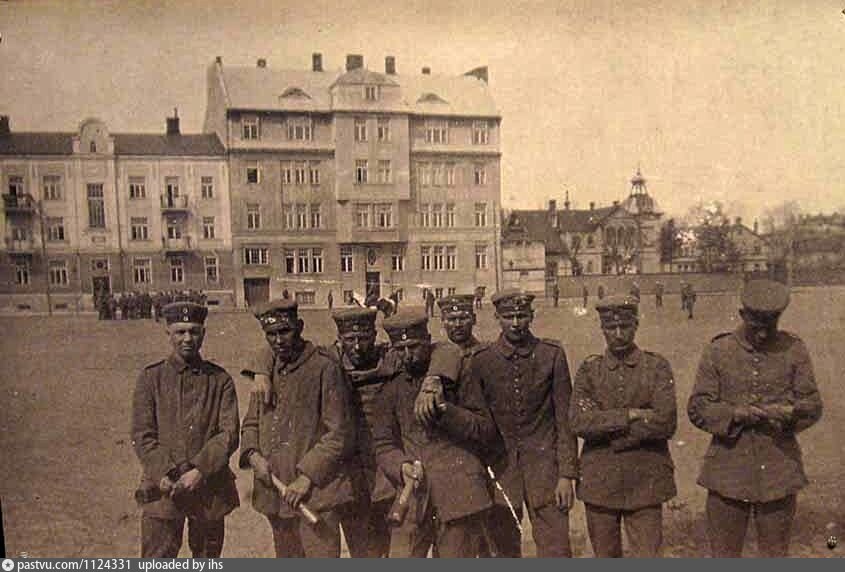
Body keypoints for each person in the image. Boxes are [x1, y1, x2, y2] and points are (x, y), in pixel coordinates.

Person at [687, 279, 823, 557]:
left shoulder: (793, 349)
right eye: (755, 326)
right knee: (724, 555)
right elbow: (698, 407)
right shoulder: (719, 350)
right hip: (727, 472)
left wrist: (788, 414)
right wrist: (736, 413)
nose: (762, 335)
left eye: (769, 327)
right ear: (742, 315)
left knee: (775, 555)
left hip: (778, 472)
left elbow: (812, 405)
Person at [372, 311, 498, 557]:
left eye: (414, 347)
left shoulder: (458, 376)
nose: (408, 355)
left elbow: (485, 430)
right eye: (400, 349)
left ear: (428, 341)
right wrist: (400, 466)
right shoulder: (391, 387)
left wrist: (446, 411)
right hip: (412, 497)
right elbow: (384, 443)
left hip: (459, 495)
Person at [467, 288, 578, 557]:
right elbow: (478, 421)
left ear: (532, 316)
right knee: (503, 552)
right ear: (497, 318)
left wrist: (566, 475)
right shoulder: (482, 360)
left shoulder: (552, 355)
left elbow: (565, 421)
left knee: (556, 550)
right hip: (501, 473)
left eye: (522, 316)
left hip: (546, 472)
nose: (516, 323)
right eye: (508, 317)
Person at [240, 299, 354, 558]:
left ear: (300, 327)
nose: (278, 340)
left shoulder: (325, 368)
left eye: (285, 331)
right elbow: (251, 423)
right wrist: (253, 456)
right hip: (276, 494)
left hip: (315, 495)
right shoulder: (266, 372)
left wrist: (307, 478)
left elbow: (339, 433)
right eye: (271, 334)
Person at [570, 295, 677, 557]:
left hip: (646, 481)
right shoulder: (590, 370)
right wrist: (629, 415)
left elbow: (665, 422)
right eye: (611, 327)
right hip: (600, 483)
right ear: (602, 328)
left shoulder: (656, 367)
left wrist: (607, 428)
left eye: (625, 326)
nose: (618, 334)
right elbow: (579, 421)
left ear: (636, 325)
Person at [130, 302, 240, 557]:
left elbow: (228, 433)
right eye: (180, 332)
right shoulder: (151, 378)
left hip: (209, 488)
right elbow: (142, 434)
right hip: (163, 489)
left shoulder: (220, 380)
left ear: (203, 333)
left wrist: (200, 470)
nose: (187, 339)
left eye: (194, 331)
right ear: (168, 333)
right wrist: (163, 472)